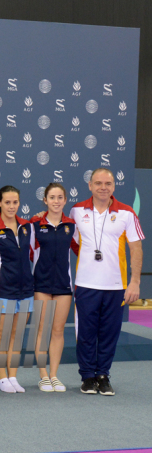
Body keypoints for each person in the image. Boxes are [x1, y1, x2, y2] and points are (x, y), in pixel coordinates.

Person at [69, 168, 144, 396]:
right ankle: (87, 376)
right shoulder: (76, 210)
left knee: (110, 332)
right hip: (85, 284)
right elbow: (71, 242)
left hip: (115, 286)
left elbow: (136, 249)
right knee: (86, 333)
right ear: (90, 185)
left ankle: (103, 375)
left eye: (108, 184)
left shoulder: (127, 213)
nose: (103, 187)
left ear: (113, 186)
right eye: (98, 183)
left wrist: (135, 282)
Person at [0, 185, 34, 394]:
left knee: (16, 335)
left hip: (26, 291)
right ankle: (2, 377)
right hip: (3, 291)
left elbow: (33, 255)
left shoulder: (27, 227)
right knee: (1, 335)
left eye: (15, 202)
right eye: (7, 202)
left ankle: (13, 376)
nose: (12, 206)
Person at [29, 183, 75, 393]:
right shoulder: (35, 223)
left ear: (65, 200)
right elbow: (27, 252)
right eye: (52, 197)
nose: (56, 201)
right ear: (45, 200)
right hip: (42, 283)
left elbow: (82, 250)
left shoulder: (72, 225)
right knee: (42, 329)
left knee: (58, 331)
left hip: (63, 285)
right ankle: (43, 376)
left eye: (59, 197)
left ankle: (54, 375)